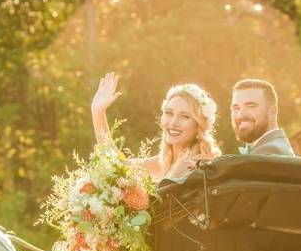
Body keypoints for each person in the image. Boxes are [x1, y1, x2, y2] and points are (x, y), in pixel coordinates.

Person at [91, 72, 221, 181]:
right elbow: (114, 165)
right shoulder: (161, 163)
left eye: (184, 116)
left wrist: (173, 177)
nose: (173, 122)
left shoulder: (202, 165)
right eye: (169, 113)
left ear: (198, 124)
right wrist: (98, 112)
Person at [230, 78, 295, 156]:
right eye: (236, 108)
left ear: (272, 112)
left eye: (251, 106)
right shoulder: (274, 147)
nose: (240, 115)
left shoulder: (270, 152)